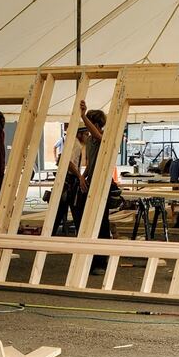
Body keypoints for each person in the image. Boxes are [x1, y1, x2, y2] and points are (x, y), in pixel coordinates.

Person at [75, 101, 111, 276]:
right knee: (86, 219)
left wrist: (83, 115)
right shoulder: (89, 140)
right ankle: (90, 258)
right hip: (90, 182)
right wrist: (82, 176)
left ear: (96, 124)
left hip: (102, 184)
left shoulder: (104, 137)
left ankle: (101, 261)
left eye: (89, 123)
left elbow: (98, 136)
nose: (87, 128)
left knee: (101, 222)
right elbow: (89, 163)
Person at [51, 125, 89, 235]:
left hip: (68, 179)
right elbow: (69, 162)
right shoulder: (76, 145)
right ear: (79, 134)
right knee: (76, 209)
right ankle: (81, 235)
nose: (87, 137)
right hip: (70, 180)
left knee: (61, 209)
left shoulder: (71, 143)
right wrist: (80, 176)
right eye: (86, 134)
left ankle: (50, 233)